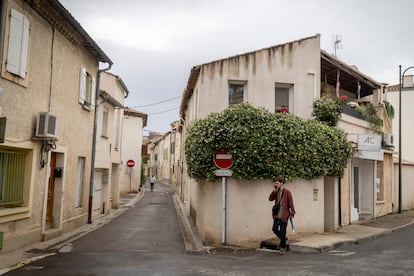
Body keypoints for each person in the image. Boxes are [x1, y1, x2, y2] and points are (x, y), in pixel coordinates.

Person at [268, 176, 296, 255]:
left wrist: (292, 213)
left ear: (281, 183)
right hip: (276, 215)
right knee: (274, 229)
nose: (275, 184)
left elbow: (291, 204)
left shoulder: (287, 192)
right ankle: (284, 239)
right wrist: (274, 191)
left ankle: (282, 248)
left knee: (283, 232)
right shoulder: (276, 192)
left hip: (284, 216)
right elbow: (270, 199)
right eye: (275, 183)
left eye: (277, 183)